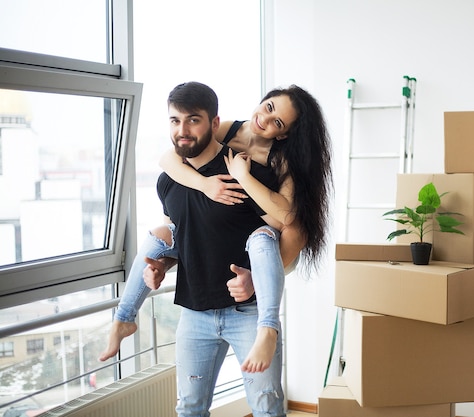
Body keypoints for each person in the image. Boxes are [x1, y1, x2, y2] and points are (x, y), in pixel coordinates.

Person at [99, 84, 332, 375]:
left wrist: (242, 177)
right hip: (230, 246)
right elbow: (167, 158)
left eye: (278, 123)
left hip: (276, 248)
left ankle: (268, 328)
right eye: (269, 107)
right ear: (263, 101)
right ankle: (123, 317)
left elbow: (289, 220)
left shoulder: (280, 159)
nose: (265, 119)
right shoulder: (228, 130)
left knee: (265, 238)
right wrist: (205, 185)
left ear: (283, 134)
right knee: (159, 234)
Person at [148, 81, 290, 416]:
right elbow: (185, 236)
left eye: (193, 120)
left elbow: (283, 225)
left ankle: (270, 328)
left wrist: (243, 179)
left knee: (267, 407)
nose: (182, 130)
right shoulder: (168, 178)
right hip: (194, 310)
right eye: (174, 120)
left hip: (249, 313)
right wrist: (163, 263)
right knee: (189, 409)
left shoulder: (245, 172)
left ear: (214, 124)